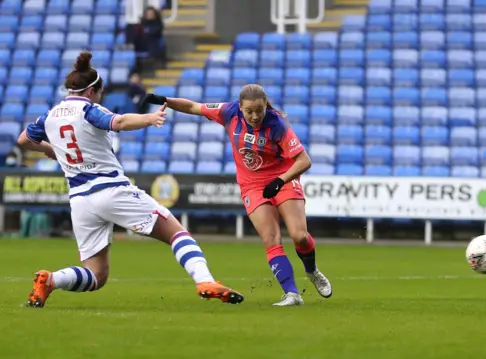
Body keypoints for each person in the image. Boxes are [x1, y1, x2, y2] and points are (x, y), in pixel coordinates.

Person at [16, 51, 244, 308]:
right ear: (93, 91)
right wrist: (150, 118)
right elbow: (120, 121)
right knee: (176, 233)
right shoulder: (89, 110)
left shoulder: (50, 116)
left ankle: (51, 280)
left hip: (80, 200)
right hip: (111, 190)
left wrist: (53, 150)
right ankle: (205, 281)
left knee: (96, 275)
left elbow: (24, 140)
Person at [144, 84, 332, 306]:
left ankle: (311, 270)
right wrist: (166, 99)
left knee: (299, 236)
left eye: (259, 110)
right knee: (271, 239)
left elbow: (304, 160)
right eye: (249, 111)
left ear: (265, 106)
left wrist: (280, 181)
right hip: (252, 185)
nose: (254, 116)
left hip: (282, 178)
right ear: (240, 108)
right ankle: (292, 294)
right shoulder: (227, 112)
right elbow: (194, 106)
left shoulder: (277, 125)